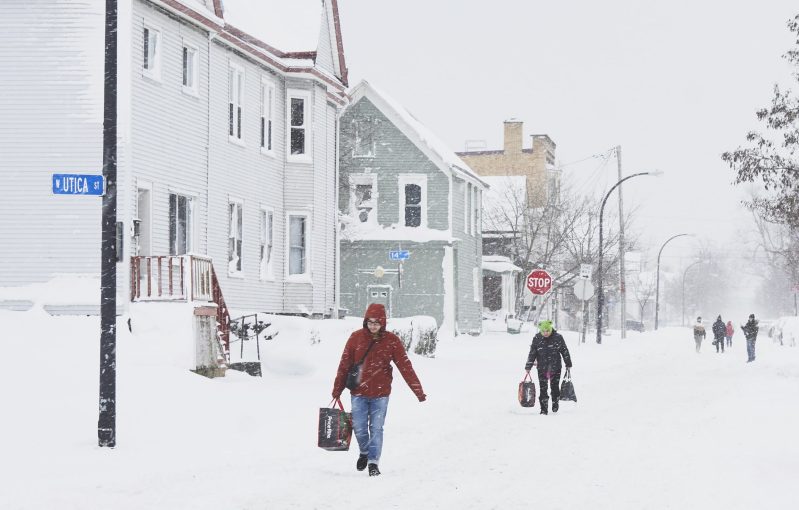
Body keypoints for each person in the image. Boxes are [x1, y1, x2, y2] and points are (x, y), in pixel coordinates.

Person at [332, 303, 426, 477]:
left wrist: (418, 391)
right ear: (365, 321)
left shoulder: (391, 341)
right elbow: (344, 364)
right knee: (359, 427)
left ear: (383, 323)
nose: (373, 325)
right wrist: (337, 389)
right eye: (370, 321)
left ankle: (373, 462)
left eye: (377, 322)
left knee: (376, 428)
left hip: (381, 394)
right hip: (359, 392)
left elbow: (406, 367)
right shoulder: (355, 338)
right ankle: (365, 452)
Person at [524, 320, 572, 415]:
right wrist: (528, 366)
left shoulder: (558, 337)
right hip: (542, 367)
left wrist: (568, 363)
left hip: (556, 367)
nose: (545, 333)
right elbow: (532, 353)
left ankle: (555, 403)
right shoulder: (537, 338)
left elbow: (564, 351)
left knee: (554, 387)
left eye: (547, 331)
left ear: (551, 329)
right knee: (543, 388)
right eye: (543, 331)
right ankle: (543, 409)